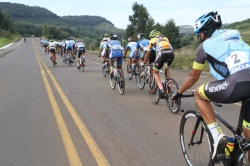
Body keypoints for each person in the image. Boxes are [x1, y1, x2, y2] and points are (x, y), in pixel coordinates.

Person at [171, 11, 250, 161]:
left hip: (236, 84)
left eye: (198, 33)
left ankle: (217, 136)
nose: (198, 37)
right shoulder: (235, 38)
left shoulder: (204, 46)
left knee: (199, 94)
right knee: (248, 136)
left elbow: (193, 76)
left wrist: (179, 93)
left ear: (204, 32)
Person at [143, 29, 174, 96]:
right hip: (171, 53)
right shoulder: (165, 38)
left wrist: (145, 62)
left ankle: (161, 89)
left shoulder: (152, 40)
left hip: (162, 54)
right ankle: (168, 84)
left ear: (152, 36)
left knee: (155, 72)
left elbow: (148, 53)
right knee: (167, 68)